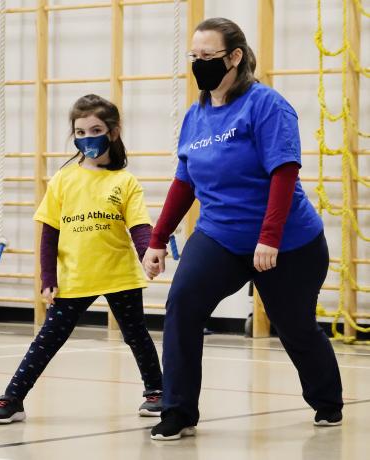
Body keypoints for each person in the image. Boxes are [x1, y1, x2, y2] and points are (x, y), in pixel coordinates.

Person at [143, 18, 343, 441]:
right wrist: (158, 239)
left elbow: (284, 173)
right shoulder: (196, 116)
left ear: (234, 57)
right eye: (194, 57)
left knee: (294, 327)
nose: (200, 65)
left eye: (208, 57)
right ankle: (178, 411)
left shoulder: (266, 104)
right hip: (220, 235)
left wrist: (269, 237)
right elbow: (184, 182)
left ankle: (327, 401)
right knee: (182, 306)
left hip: (288, 242)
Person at [0, 94, 163, 424]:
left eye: (94, 130)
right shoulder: (63, 179)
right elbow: (49, 231)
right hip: (75, 277)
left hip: (119, 274)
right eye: (79, 133)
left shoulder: (124, 181)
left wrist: (147, 254)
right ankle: (12, 398)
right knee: (48, 339)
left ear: (112, 131)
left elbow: (139, 227)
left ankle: (156, 392)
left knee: (136, 334)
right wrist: (47, 277)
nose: (86, 138)